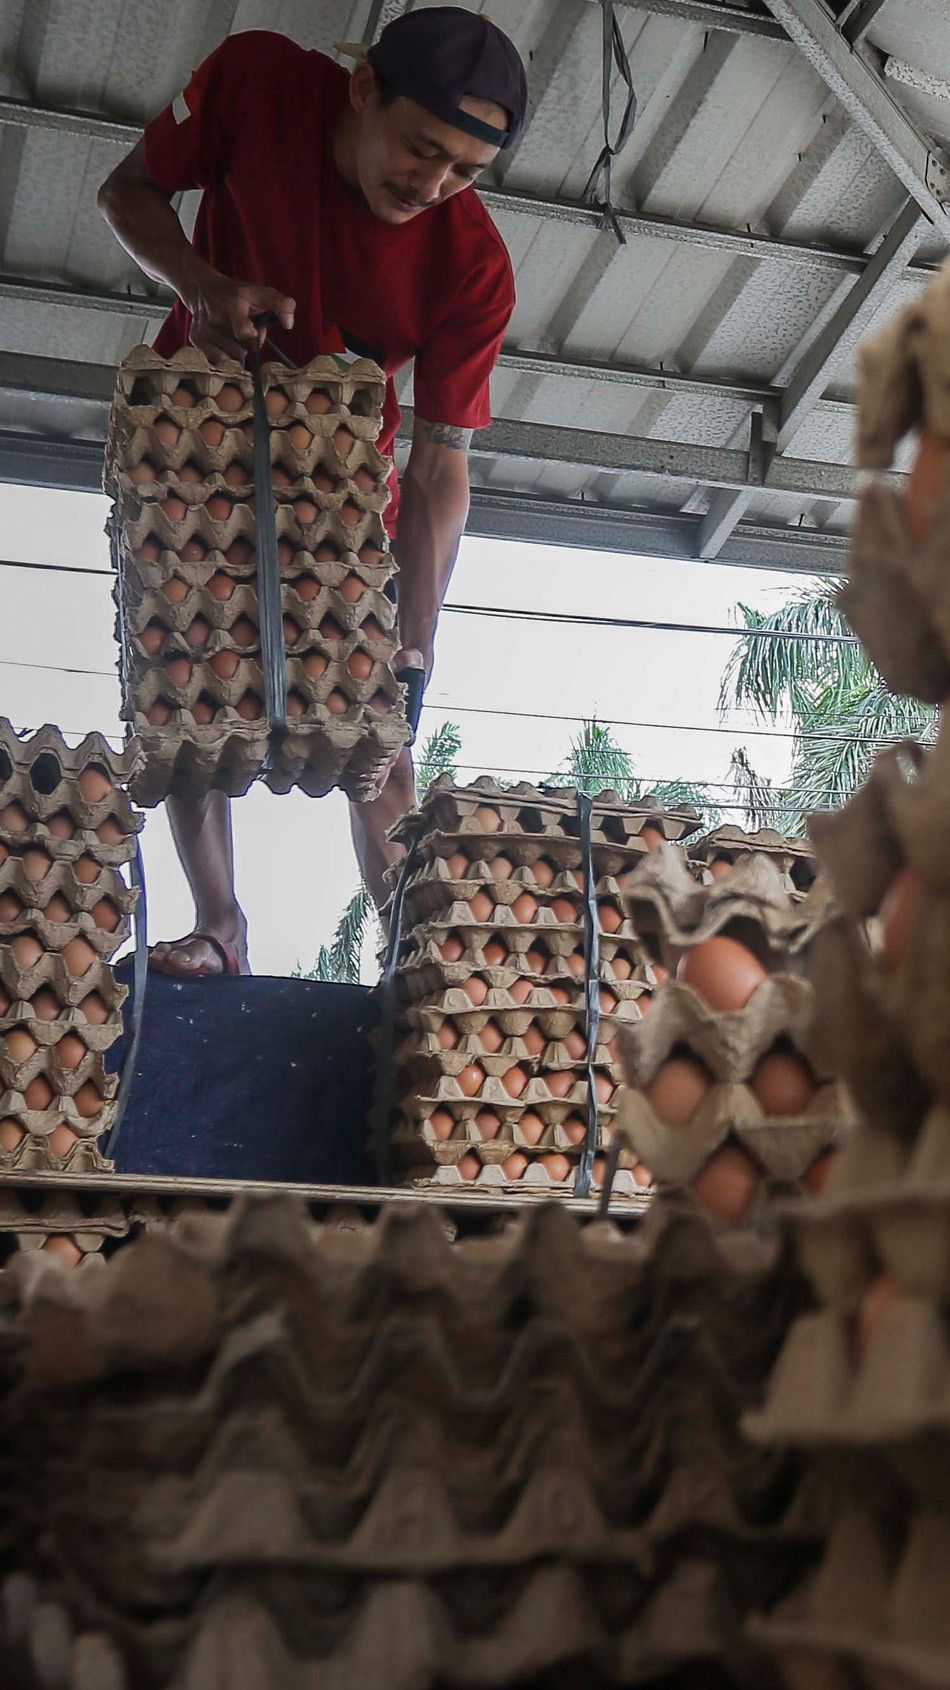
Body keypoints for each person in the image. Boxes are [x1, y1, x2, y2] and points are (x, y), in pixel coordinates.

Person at [98, 8, 527, 978]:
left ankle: (408, 951)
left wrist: (417, 632)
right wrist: (201, 285)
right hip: (192, 453)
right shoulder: (256, 81)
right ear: (363, 87)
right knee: (184, 687)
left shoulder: (474, 266)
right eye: (421, 148)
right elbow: (127, 191)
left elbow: (437, 464)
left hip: (340, 502)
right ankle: (219, 924)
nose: (432, 186)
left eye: (464, 169)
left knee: (377, 722)